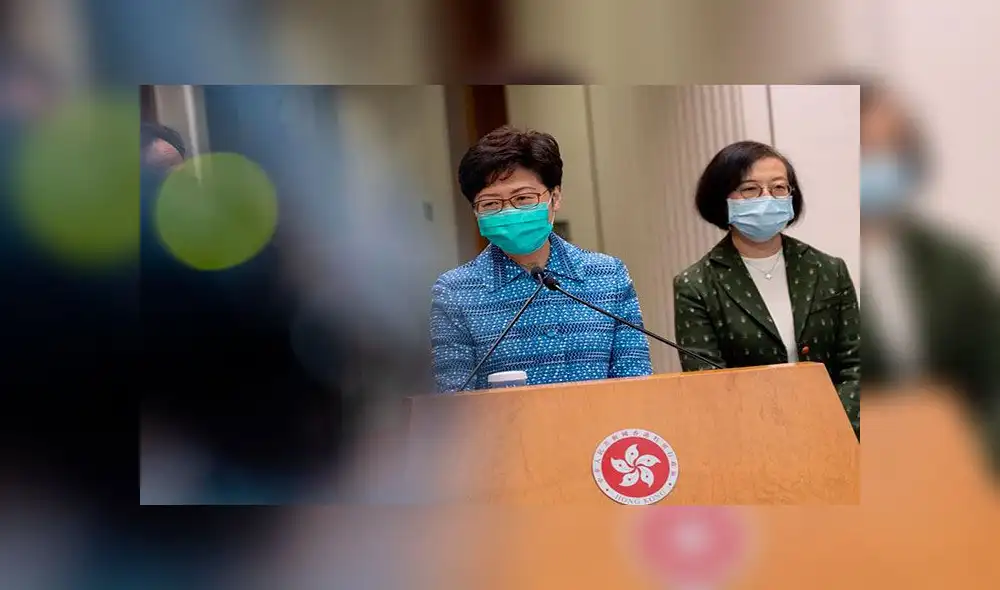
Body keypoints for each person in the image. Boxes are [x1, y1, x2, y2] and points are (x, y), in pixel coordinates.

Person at [431, 125, 653, 392]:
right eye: (490, 204)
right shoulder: (455, 292)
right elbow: (453, 402)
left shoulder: (608, 276)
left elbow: (637, 387)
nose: (508, 211)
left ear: (555, 197)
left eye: (523, 198)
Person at [672, 141, 860, 435]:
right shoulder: (696, 285)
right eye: (750, 189)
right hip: (751, 441)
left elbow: (857, 365)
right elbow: (708, 382)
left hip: (838, 434)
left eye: (778, 188)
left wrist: (833, 427)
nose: (767, 198)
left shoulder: (828, 270)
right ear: (722, 199)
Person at [858, 82, 1000, 469]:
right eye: (865, 149)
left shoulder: (957, 264)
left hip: (962, 476)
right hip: (861, 489)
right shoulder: (804, 274)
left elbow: (992, 379)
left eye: (892, 147)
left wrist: (970, 453)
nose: (879, 162)